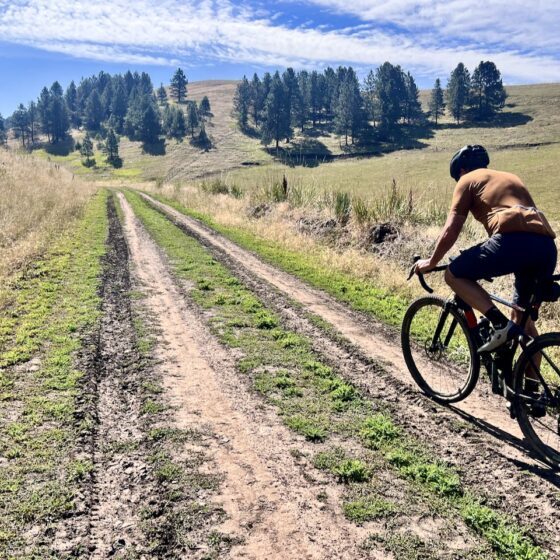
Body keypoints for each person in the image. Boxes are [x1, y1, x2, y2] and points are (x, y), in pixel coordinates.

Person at [414, 145, 557, 352]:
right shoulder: (509, 177)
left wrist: (431, 262)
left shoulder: (466, 179)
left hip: (513, 242)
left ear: (462, 171)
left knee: (452, 274)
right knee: (522, 323)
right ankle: (527, 384)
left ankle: (498, 324)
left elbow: (451, 230)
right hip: (546, 247)